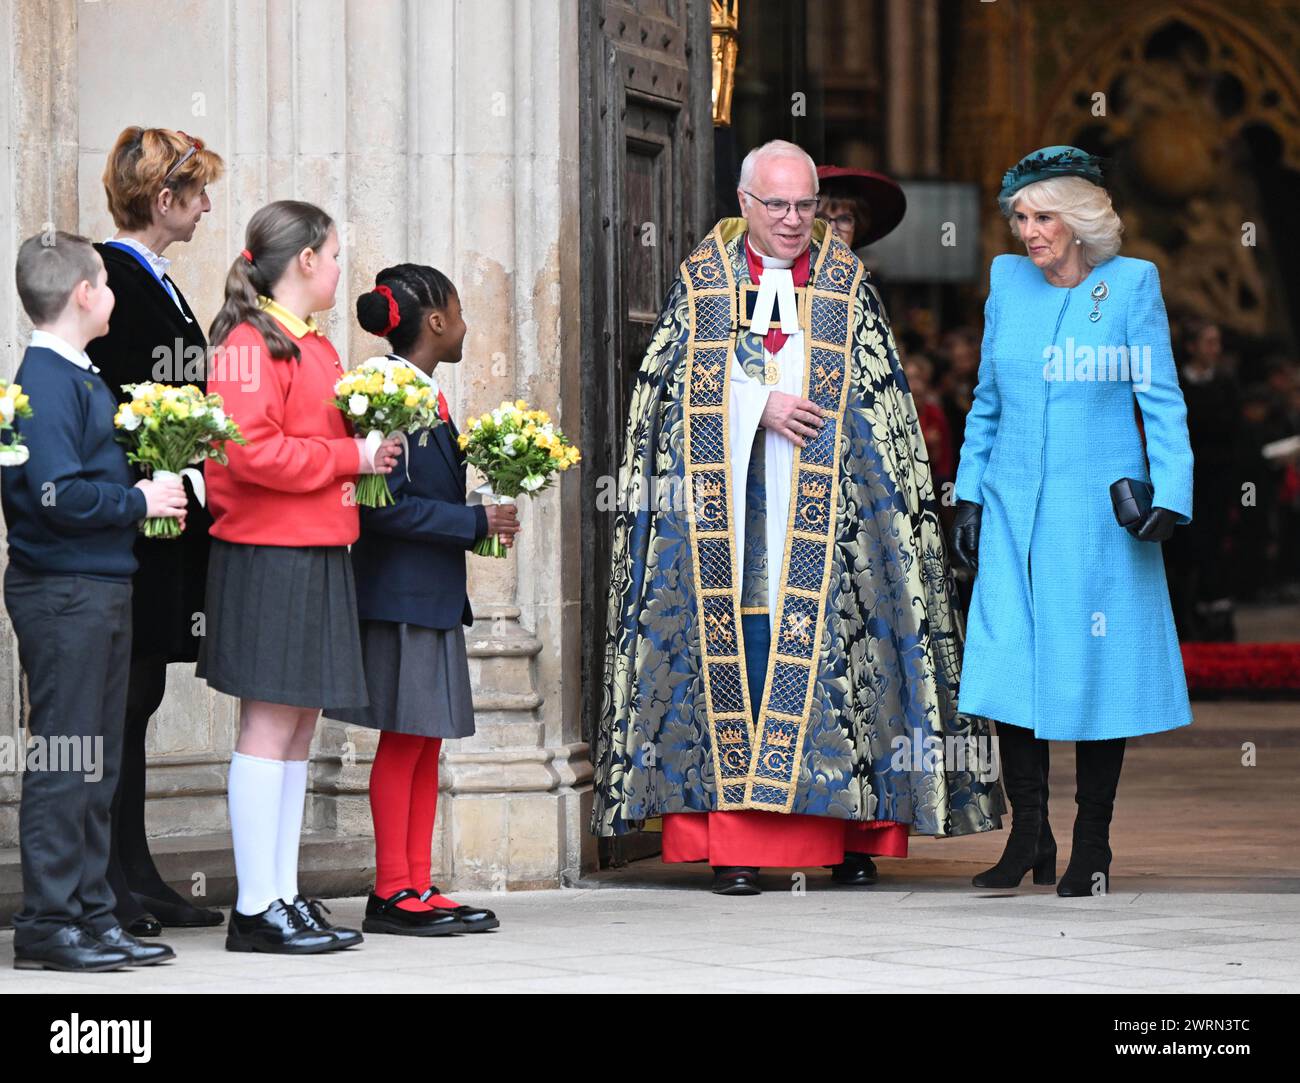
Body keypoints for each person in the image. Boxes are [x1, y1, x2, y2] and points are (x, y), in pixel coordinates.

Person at [592, 140, 1005, 896]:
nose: (792, 220)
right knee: (738, 664)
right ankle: (736, 846)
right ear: (744, 202)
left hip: (833, 527)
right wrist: (756, 404)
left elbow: (887, 422)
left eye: (805, 205)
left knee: (845, 669)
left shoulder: (850, 290)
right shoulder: (702, 287)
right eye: (776, 204)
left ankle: (850, 832)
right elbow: (664, 398)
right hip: (732, 522)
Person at [951, 145, 1195, 897]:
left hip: (1097, 521)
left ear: (1081, 218)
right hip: (1013, 509)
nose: (1029, 231)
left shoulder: (1130, 286)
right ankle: (1029, 833)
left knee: (1096, 673)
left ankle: (1093, 842)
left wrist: (1171, 496)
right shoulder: (1006, 283)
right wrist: (968, 493)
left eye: (1044, 216)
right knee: (1009, 668)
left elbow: (1161, 400)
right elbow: (987, 400)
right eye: (1021, 217)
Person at [199, 201, 401, 953]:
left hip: (314, 545)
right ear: (306, 261)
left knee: (298, 726)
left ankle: (280, 892)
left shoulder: (312, 345)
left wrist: (370, 444)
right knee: (268, 724)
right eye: (336, 252)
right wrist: (351, 458)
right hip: (269, 550)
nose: (343, 266)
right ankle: (255, 906)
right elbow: (247, 453)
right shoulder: (252, 342)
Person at [4, 232, 185, 971]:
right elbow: (55, 496)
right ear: (85, 294)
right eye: (107, 281)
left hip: (100, 584)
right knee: (65, 758)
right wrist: (138, 498)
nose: (113, 293)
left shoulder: (75, 374)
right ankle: (49, 922)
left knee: (98, 761)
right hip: (65, 589)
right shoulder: (43, 379)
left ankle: (89, 910)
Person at [327, 264, 513, 936]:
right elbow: (382, 510)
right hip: (398, 593)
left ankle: (416, 881)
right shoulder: (385, 393)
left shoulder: (424, 395)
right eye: (459, 310)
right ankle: (390, 890)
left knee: (425, 742)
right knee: (403, 743)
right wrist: (473, 524)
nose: (465, 324)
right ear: (435, 321)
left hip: (428, 593)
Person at [89, 125, 226, 935]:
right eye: (196, 192)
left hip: (168, 517)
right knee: (121, 696)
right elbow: (112, 397)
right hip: (134, 518)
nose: (207, 205)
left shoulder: (160, 278)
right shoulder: (110, 275)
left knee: (143, 692)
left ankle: (136, 867)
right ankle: (107, 876)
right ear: (161, 199)